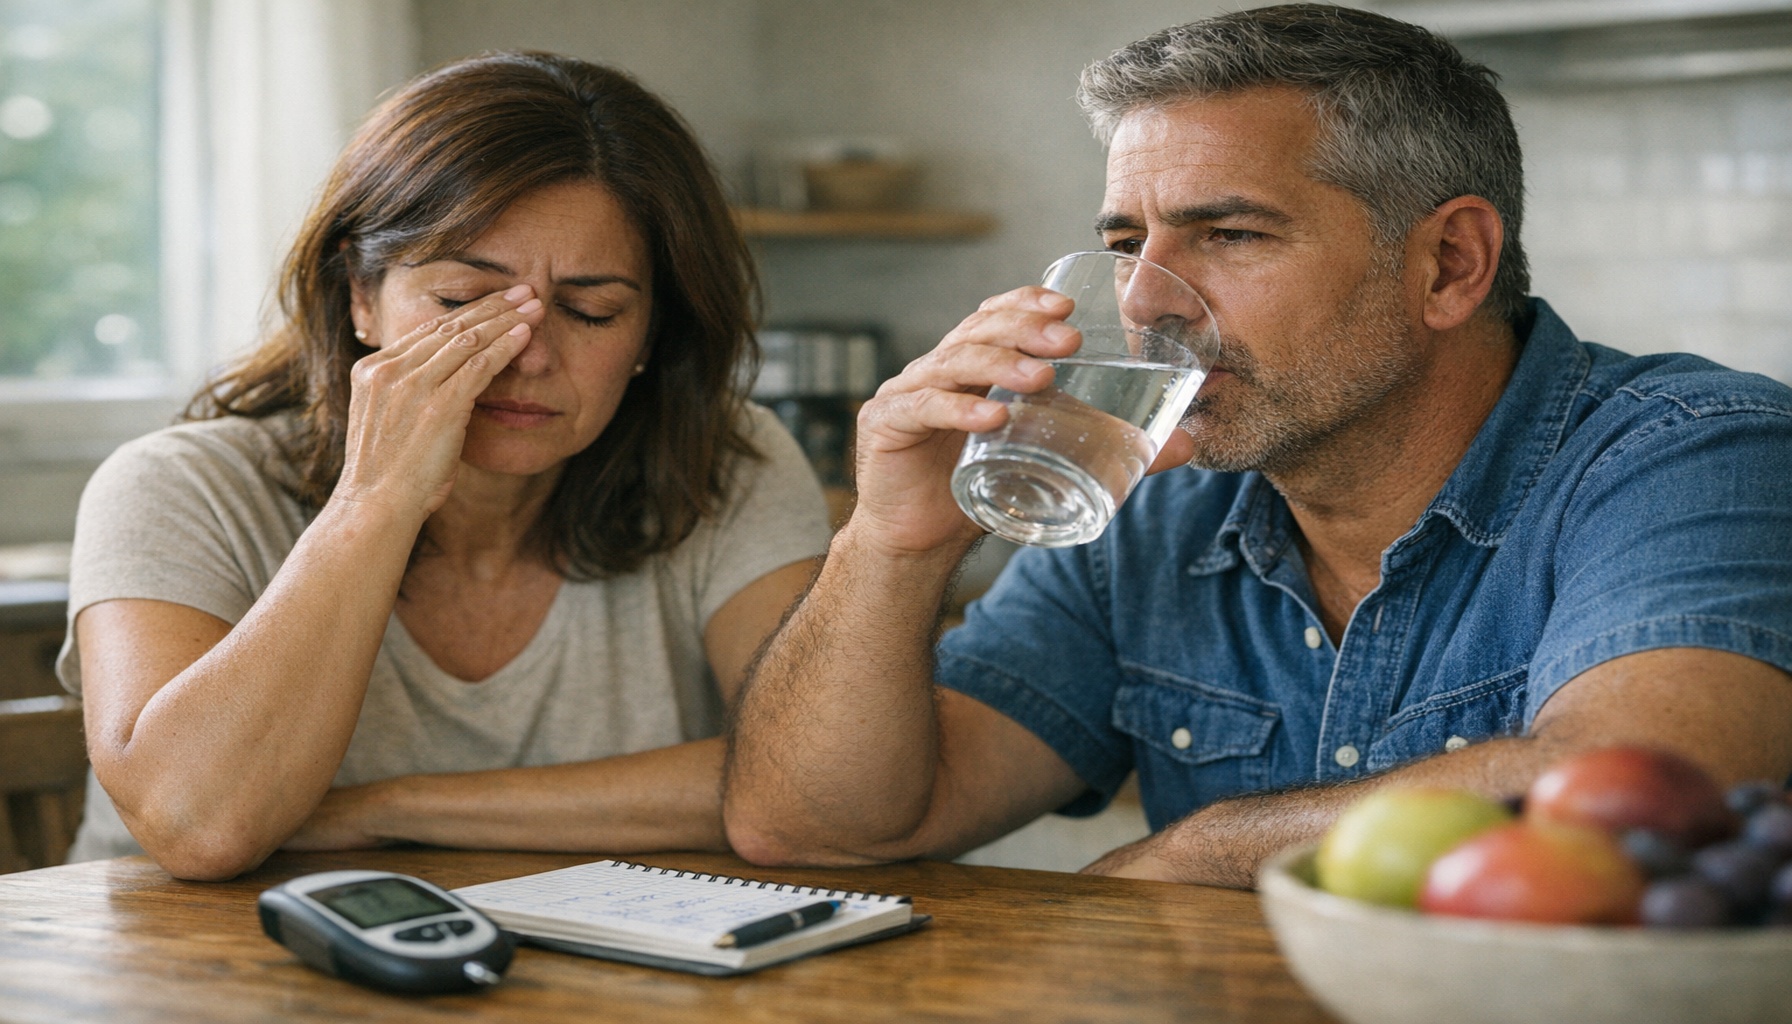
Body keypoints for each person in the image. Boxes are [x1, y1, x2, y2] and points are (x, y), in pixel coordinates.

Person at [722, 4, 1792, 887]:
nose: (1146, 302)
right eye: (1126, 245)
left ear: (1450, 264)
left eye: (1229, 235)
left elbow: (1644, 778)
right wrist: (892, 540)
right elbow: (819, 830)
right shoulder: (1151, 507)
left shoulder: (1694, 453)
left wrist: (1194, 852)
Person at [59, 53, 830, 880]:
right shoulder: (176, 486)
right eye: (462, 303)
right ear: (360, 294)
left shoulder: (729, 462)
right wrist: (373, 503)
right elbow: (196, 825)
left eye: (591, 311)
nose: (524, 356)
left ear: (652, 334)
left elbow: (814, 786)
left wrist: (390, 808)